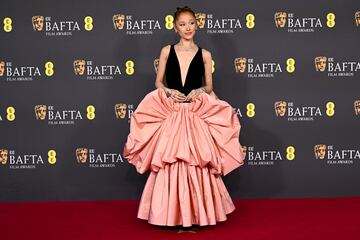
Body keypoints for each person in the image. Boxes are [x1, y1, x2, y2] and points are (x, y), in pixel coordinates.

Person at [123, 6, 244, 229]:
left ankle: (198, 216)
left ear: (197, 25)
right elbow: (158, 82)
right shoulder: (166, 51)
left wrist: (199, 91)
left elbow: (209, 86)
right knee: (172, 160)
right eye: (183, 24)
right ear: (175, 27)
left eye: (191, 23)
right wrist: (168, 91)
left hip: (195, 112)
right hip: (173, 112)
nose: (188, 28)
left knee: (197, 160)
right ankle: (172, 216)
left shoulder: (205, 54)